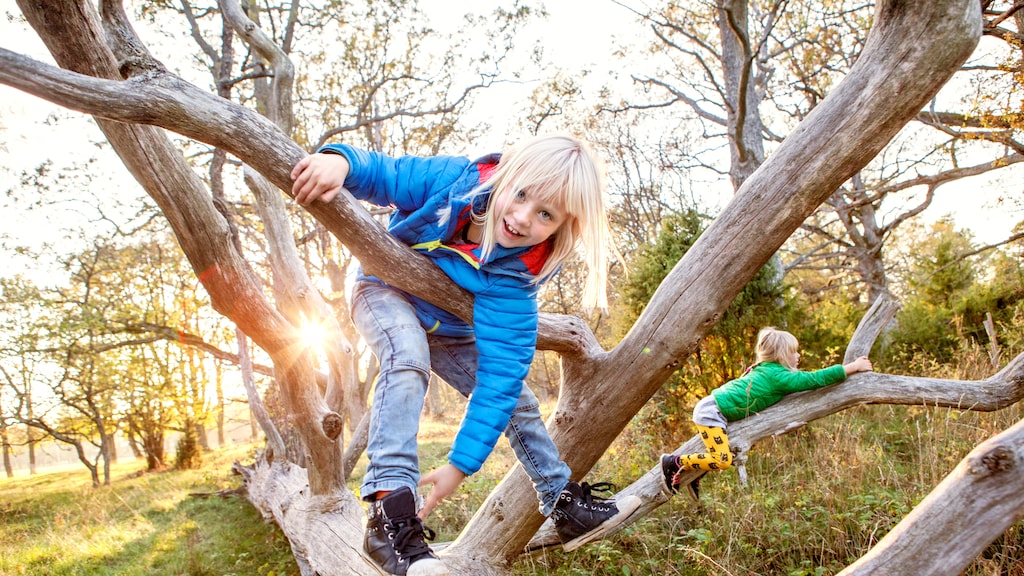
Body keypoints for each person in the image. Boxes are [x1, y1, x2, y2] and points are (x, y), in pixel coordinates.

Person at [291, 134, 640, 576]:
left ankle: (562, 501)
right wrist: (339, 163)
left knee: (519, 402)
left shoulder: (517, 281)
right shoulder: (454, 181)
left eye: (545, 214)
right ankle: (388, 511)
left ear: (561, 226)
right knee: (406, 357)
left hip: (449, 330)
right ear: (507, 175)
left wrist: (458, 467)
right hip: (383, 292)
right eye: (521, 195)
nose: (520, 217)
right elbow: (387, 172)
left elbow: (499, 381)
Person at [660, 327, 873, 501]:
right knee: (723, 460)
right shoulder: (778, 376)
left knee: (719, 452)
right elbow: (815, 379)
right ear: (781, 355)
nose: (798, 355)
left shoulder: (766, 369)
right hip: (712, 412)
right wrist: (852, 367)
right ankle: (675, 462)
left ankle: (695, 473)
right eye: (794, 352)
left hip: (714, 408)